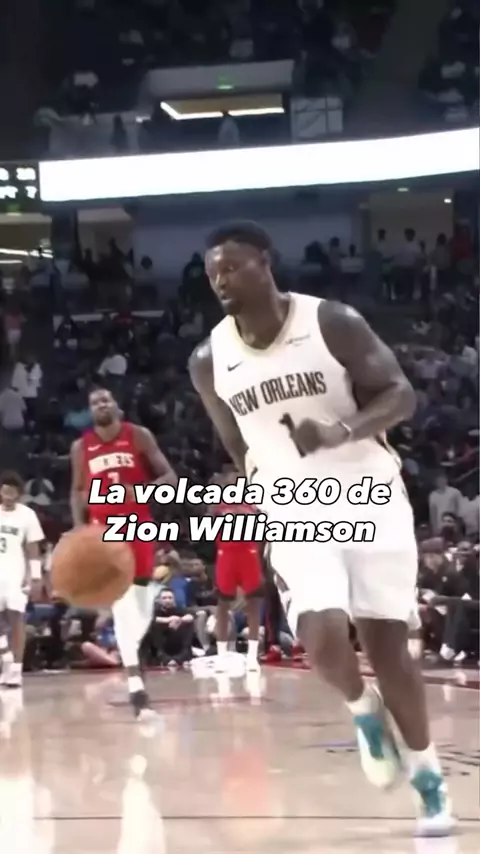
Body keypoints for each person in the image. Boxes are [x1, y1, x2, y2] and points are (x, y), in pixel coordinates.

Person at [188, 221, 455, 837]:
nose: (221, 280)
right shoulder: (208, 360)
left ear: (265, 261)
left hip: (369, 492)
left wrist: (341, 430)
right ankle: (363, 708)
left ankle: (428, 778)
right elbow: (236, 444)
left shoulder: (331, 322)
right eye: (212, 273)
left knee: (388, 648)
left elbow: (400, 395)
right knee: (322, 636)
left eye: (232, 266)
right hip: (293, 505)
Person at [69, 387, 176, 719]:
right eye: (94, 402)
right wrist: (80, 529)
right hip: (105, 532)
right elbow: (76, 491)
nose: (101, 405)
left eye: (106, 400)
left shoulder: (138, 435)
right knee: (121, 603)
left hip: (139, 528)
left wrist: (143, 491)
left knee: (139, 606)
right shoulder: (81, 447)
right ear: (90, 411)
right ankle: (136, 686)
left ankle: (133, 661)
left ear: (116, 405)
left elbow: (170, 478)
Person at [210, 469, 263, 672]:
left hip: (248, 554)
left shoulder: (253, 505)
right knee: (222, 606)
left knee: (253, 605)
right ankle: (221, 655)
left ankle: (252, 656)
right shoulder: (219, 505)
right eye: (232, 480)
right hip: (226, 554)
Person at [0, 471, 44, 688]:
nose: (8, 495)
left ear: (19, 494)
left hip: (15, 575)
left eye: (13, 492)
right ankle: (6, 655)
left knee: (17, 621)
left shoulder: (27, 515)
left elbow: (32, 548)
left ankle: (16, 669)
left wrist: (35, 577)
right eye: (5, 491)